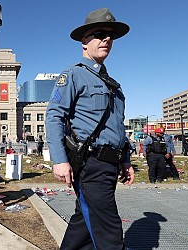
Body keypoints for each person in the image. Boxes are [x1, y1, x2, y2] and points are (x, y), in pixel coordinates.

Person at [45, 8, 134, 250]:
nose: (106, 39)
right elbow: (54, 115)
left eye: (110, 35)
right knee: (110, 233)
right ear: (84, 41)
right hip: (90, 165)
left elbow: (117, 128)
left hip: (109, 164)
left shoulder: (113, 85)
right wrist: (59, 160)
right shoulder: (73, 75)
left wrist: (125, 160)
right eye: (99, 34)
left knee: (84, 224)